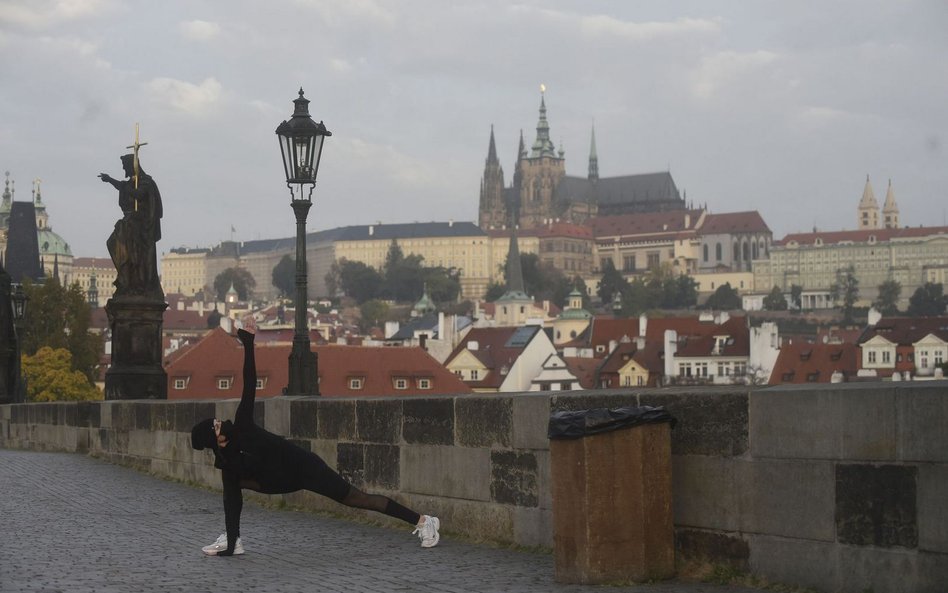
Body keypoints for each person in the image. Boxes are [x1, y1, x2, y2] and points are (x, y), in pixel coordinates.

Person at [190, 316, 440, 556]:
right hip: (280, 480)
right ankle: (232, 539)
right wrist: (232, 542)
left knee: (355, 498)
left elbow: (249, 381)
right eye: (216, 426)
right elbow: (232, 503)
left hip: (305, 467)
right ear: (216, 441)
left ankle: (423, 521)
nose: (221, 422)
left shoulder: (242, 425)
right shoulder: (227, 464)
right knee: (231, 485)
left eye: (216, 420)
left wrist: (248, 342)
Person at [98, 154, 163, 298]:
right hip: (129, 223)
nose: (123, 169)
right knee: (112, 243)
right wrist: (109, 180)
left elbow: (139, 195)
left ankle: (131, 280)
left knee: (132, 253)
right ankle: (125, 277)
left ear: (132, 166)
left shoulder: (146, 182)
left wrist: (127, 187)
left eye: (125, 166)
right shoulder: (131, 183)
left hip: (140, 227)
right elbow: (122, 186)